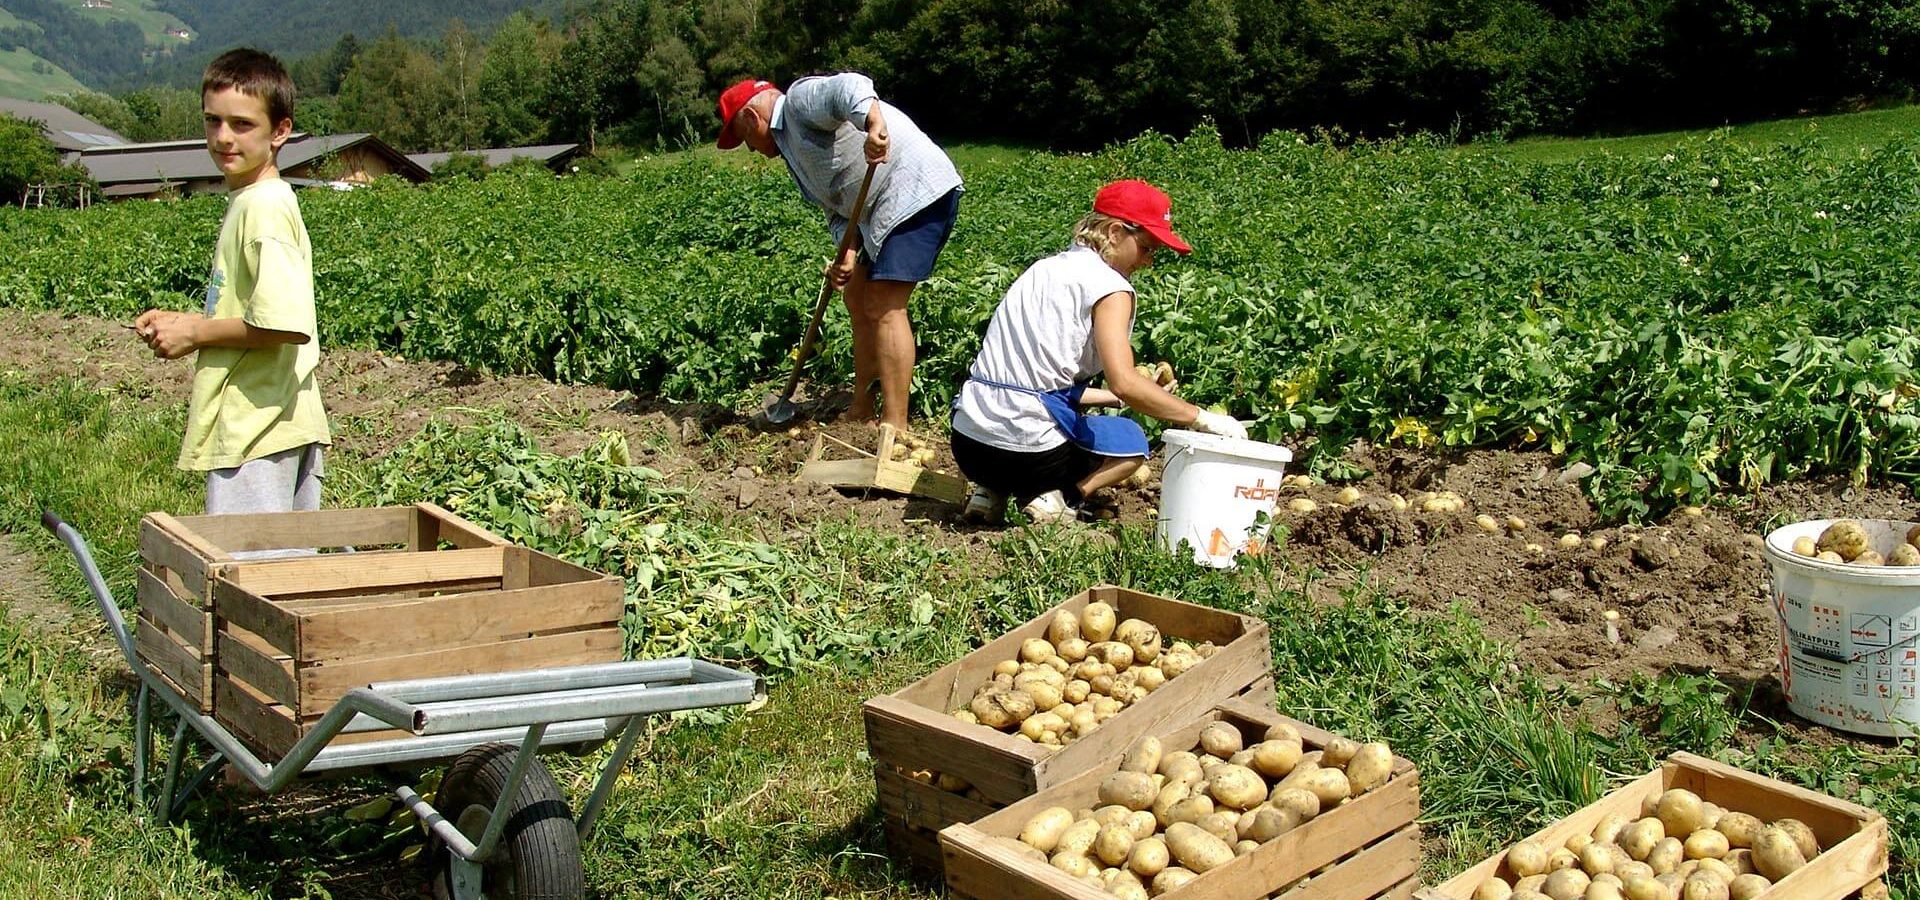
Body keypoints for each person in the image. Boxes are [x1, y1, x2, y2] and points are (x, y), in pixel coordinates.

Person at [949, 180, 1246, 524]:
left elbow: (1039, 382)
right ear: (1116, 232)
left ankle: (990, 492)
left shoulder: (1041, 269)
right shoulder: (1111, 287)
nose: (1149, 261)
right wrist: (1203, 419)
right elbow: (1126, 383)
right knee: (1131, 442)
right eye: (1148, 248)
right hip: (1030, 455)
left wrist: (1111, 399)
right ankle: (1059, 498)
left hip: (968, 445)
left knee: (1028, 418)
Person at [134, 48, 330, 520]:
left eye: (242, 124)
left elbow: (283, 325)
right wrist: (187, 321)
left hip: (257, 428)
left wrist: (194, 334)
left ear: (280, 131)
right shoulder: (255, 200)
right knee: (285, 578)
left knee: (252, 579)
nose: (223, 137)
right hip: (277, 419)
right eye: (212, 121)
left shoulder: (262, 207)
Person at [716, 73, 963, 433]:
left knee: (883, 303)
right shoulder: (792, 152)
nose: (751, 149)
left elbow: (849, 88)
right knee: (856, 296)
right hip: (875, 214)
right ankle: (862, 407)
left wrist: (874, 124)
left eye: (744, 139)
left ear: (752, 118)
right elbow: (836, 208)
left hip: (913, 189)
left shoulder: (799, 103)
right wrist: (846, 251)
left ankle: (895, 426)